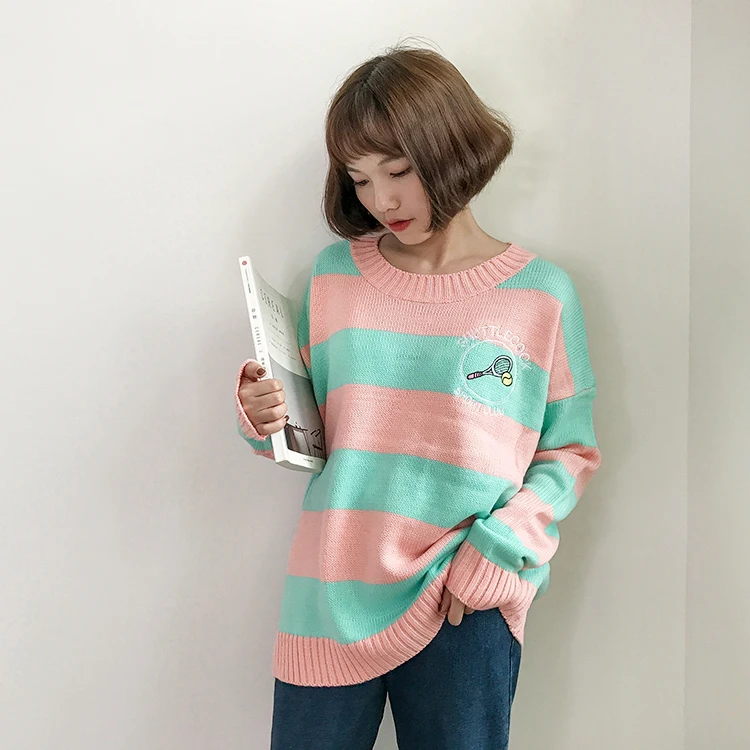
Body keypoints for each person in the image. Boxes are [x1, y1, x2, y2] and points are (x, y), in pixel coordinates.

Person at [235, 44, 601, 750]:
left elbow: (571, 454)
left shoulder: (540, 295)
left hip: (465, 598)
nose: (382, 201)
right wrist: (262, 417)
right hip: (331, 591)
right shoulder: (334, 278)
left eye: (398, 171)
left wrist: (502, 548)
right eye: (360, 179)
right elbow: (309, 430)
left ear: (450, 147)